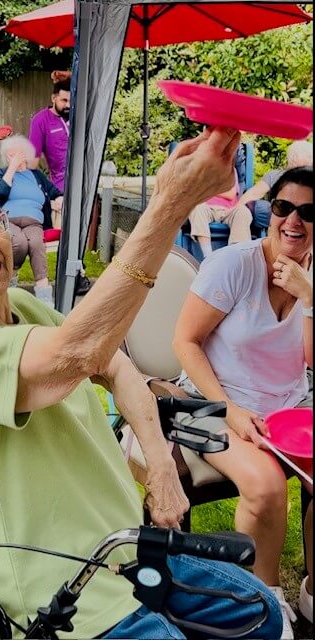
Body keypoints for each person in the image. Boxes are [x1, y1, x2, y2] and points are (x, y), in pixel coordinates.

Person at [0, 127, 282, 640]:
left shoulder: (26, 308)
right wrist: (168, 207)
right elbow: (74, 353)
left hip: (119, 549)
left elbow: (112, 363)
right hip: (53, 585)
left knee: (260, 611)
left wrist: (163, 468)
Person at [173, 166, 313, 639]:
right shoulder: (233, 265)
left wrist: (308, 298)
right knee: (268, 487)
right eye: (283, 207)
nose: (294, 220)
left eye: (309, 212)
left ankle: (313, 591)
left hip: (289, 408)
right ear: (267, 211)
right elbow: (185, 342)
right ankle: (263, 599)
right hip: (212, 402)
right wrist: (227, 408)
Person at [29, 73, 91, 295]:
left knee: (81, 231)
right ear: (53, 97)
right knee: (66, 232)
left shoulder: (77, 117)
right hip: (61, 188)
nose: (68, 105)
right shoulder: (41, 121)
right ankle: (76, 277)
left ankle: (78, 274)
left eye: (71, 101)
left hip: (86, 183)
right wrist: (48, 196)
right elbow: (32, 164)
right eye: (64, 101)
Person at [0, 134, 63, 306]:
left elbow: (55, 192)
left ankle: (44, 298)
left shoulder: (36, 176)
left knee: (37, 245)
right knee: (19, 243)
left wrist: (60, 198)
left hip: (34, 222)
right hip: (10, 221)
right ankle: (12, 279)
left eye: (16, 154)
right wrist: (12, 168)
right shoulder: (2, 173)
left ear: (25, 154)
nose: (13, 158)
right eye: (9, 155)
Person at [238, 140, 313, 229]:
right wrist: (236, 209)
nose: (311, 160)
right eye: (309, 157)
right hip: (281, 218)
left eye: (310, 157)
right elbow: (252, 194)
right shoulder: (275, 175)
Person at [188, 167, 253, 258]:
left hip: (229, 210)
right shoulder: (201, 168)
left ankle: (236, 257)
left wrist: (208, 189)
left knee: (243, 212)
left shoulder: (230, 170)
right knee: (195, 208)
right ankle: (208, 256)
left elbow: (230, 194)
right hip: (207, 207)